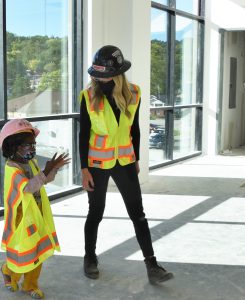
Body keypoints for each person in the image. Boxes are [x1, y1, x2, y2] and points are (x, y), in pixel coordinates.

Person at [79, 45, 174, 284]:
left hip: (126, 161)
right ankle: (90, 258)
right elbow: (83, 134)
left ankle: (152, 265)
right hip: (98, 163)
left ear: (116, 72)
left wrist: (137, 160)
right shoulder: (88, 95)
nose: (95, 77)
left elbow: (135, 129)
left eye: (100, 73)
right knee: (96, 212)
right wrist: (83, 169)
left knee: (138, 215)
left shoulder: (134, 93)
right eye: (94, 73)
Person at [0, 118, 70, 299]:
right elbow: (28, 187)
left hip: (36, 215)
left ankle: (30, 285)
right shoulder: (11, 169)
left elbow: (42, 181)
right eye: (27, 145)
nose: (32, 148)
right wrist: (46, 171)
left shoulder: (30, 163)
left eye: (33, 144)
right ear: (13, 146)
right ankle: (8, 272)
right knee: (21, 256)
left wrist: (52, 170)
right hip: (21, 220)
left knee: (37, 253)